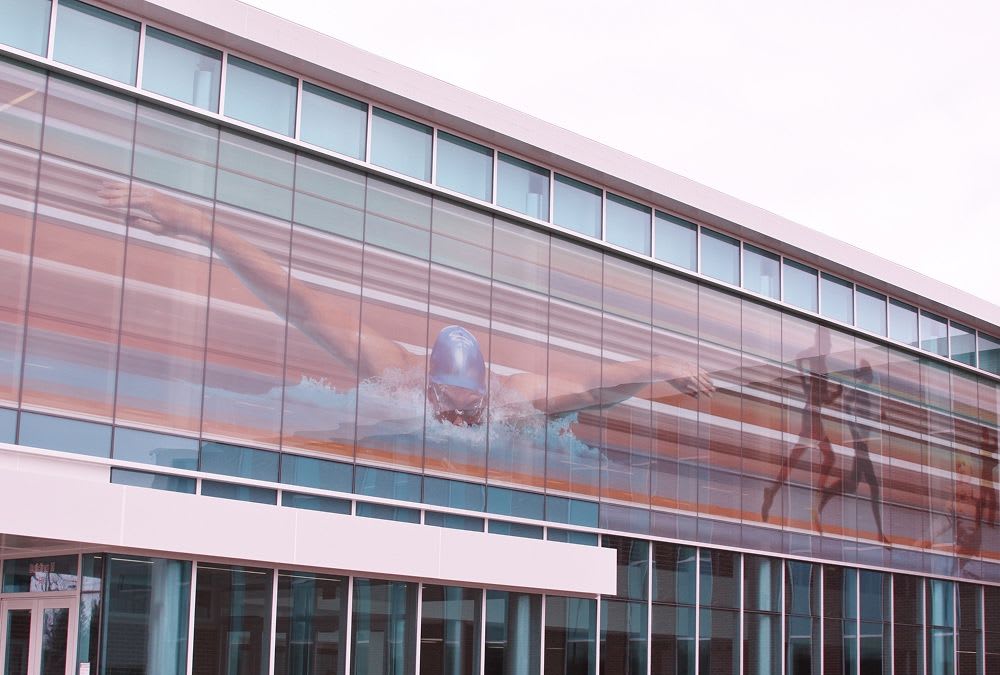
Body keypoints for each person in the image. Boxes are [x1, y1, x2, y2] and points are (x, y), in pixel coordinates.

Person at [99, 182, 713, 426]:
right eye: (450, 403)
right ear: (430, 385)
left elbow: (594, 389)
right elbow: (299, 305)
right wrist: (200, 225)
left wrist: (658, 364)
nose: (459, 417)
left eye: (468, 405)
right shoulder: (395, 375)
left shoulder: (511, 399)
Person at [760, 327, 841, 527]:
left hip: (812, 414)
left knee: (797, 457)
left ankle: (773, 491)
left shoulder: (819, 360)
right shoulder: (817, 360)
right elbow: (817, 393)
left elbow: (820, 397)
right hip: (811, 416)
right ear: (822, 341)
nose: (831, 345)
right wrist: (810, 385)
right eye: (828, 340)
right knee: (828, 456)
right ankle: (816, 499)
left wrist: (833, 394)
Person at [815, 360, 888, 545]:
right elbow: (847, 408)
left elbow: (862, 418)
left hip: (861, 442)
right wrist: (856, 433)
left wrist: (876, 418)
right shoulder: (859, 390)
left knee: (852, 485)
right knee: (873, 486)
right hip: (860, 443)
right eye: (870, 374)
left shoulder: (862, 391)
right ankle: (879, 533)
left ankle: (823, 498)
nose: (872, 378)